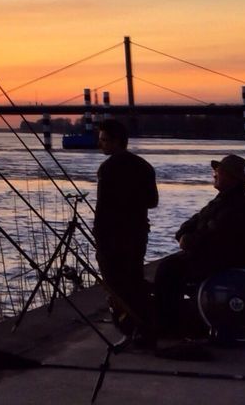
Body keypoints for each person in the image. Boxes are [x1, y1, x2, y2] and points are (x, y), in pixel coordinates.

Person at [154, 154, 245, 336]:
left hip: (225, 260)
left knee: (169, 269)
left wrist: (188, 240)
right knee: (170, 266)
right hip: (213, 255)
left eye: (218, 172)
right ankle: (171, 317)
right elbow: (196, 220)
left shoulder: (236, 205)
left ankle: (168, 322)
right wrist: (183, 234)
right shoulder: (224, 199)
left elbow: (214, 237)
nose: (214, 174)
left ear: (231, 177)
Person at [93, 119, 158, 346]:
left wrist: (98, 237)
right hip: (138, 235)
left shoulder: (107, 169)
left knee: (116, 287)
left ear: (116, 141)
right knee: (134, 282)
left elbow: (102, 209)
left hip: (112, 238)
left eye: (103, 140)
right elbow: (153, 201)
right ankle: (144, 328)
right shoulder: (144, 166)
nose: (99, 144)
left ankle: (130, 331)